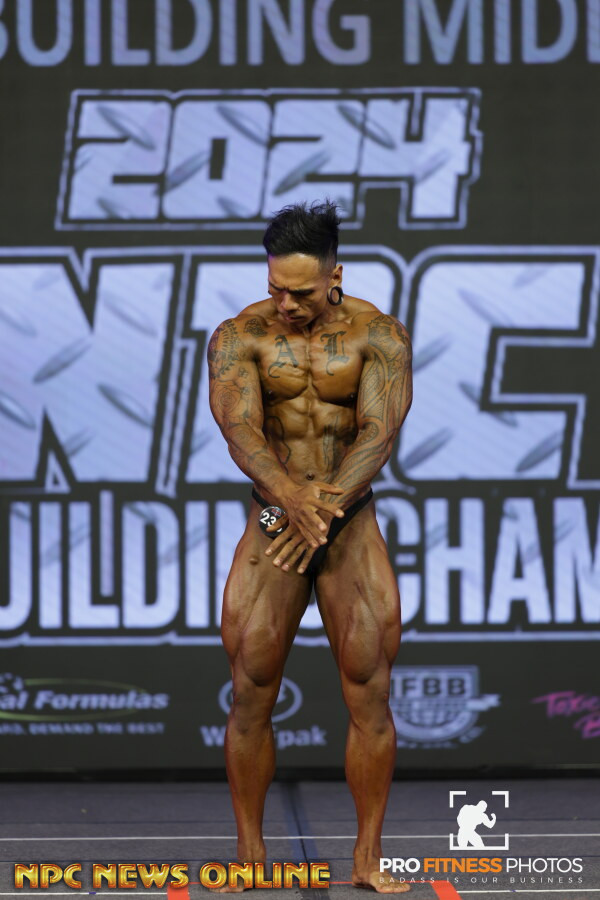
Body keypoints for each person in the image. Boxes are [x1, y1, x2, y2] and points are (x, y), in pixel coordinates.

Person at [207, 200, 413, 894]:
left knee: (370, 690)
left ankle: (367, 860)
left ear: (335, 276)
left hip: (348, 525)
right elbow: (239, 430)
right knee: (250, 689)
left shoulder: (379, 336)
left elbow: (379, 432)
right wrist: (291, 501)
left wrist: (319, 510)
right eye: (275, 288)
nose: (285, 304)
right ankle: (249, 856)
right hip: (274, 523)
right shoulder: (239, 336)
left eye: (299, 292)